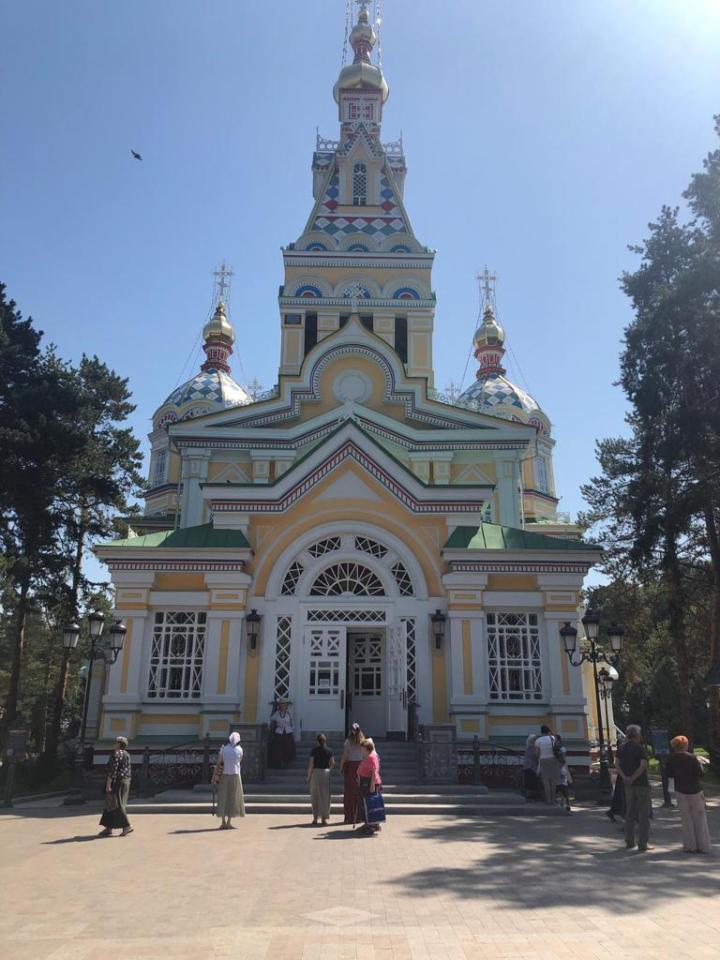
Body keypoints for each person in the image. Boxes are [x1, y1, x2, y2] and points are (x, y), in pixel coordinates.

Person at [665, 735, 712, 854]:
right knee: (699, 818)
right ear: (685, 745)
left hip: (681, 790)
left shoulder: (671, 759)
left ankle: (690, 845)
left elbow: (669, 774)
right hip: (695, 790)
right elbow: (700, 773)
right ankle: (702, 845)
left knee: (686, 819)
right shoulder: (692, 758)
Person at [615, 724, 651, 852]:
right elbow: (643, 765)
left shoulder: (621, 748)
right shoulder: (640, 748)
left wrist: (625, 777)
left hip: (628, 785)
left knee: (629, 813)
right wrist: (633, 777)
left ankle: (629, 841)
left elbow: (616, 764)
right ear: (637, 735)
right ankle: (643, 843)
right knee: (643, 814)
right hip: (641, 784)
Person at [99, 736, 133, 837]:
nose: (114, 744)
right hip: (126, 781)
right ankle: (108, 827)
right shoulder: (127, 754)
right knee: (111, 804)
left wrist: (108, 784)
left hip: (117, 781)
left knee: (116, 804)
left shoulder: (116, 753)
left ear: (119, 744)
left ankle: (127, 826)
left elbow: (112, 770)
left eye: (115, 742)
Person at [212, 731, 245, 829]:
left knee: (223, 797)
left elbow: (218, 763)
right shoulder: (240, 749)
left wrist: (214, 776)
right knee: (232, 798)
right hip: (235, 776)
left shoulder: (223, 749)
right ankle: (229, 822)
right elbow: (240, 761)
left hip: (225, 775)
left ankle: (223, 822)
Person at [356, 737, 383, 836]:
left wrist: (372, 785)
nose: (361, 751)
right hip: (365, 782)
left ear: (367, 749)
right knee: (367, 804)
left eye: (362, 749)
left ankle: (371, 825)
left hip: (369, 783)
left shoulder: (371, 757)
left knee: (370, 805)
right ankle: (370, 823)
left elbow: (374, 771)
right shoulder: (369, 756)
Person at [307, 733, 334, 825]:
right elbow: (332, 762)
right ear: (325, 741)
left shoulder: (314, 750)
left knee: (315, 796)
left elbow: (311, 764)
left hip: (315, 773)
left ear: (317, 741)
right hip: (325, 773)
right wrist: (329, 770)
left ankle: (315, 818)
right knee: (325, 796)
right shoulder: (329, 750)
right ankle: (324, 818)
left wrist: (308, 776)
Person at [340, 723, 365, 823]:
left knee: (349, 792)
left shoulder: (348, 741)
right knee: (359, 792)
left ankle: (350, 817)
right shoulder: (363, 741)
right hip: (360, 767)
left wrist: (341, 767)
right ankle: (359, 816)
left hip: (351, 767)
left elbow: (345, 755)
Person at [534, 725, 561, 805]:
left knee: (545, 781)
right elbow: (558, 747)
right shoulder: (552, 738)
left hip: (543, 760)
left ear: (541, 732)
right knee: (553, 780)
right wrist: (552, 733)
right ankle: (553, 799)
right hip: (553, 759)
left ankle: (548, 800)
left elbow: (537, 753)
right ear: (548, 731)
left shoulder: (538, 740)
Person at [269, 701, 295, 768]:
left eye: (284, 705)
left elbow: (292, 722)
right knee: (279, 749)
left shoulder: (289, 713)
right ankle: (280, 762)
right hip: (279, 733)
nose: (283, 707)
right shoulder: (277, 713)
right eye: (282, 705)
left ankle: (286, 761)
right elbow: (271, 718)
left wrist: (292, 730)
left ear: (286, 706)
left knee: (288, 748)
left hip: (287, 733)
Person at [554, 735, 572, 812]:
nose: (554, 741)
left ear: (558, 740)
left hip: (561, 768)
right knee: (559, 786)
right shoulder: (554, 748)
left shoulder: (561, 749)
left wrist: (560, 765)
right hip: (557, 768)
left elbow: (563, 759)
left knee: (563, 787)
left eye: (555, 739)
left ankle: (567, 803)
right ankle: (562, 802)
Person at [522, 734, 541, 800]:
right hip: (532, 767)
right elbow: (535, 756)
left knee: (528, 781)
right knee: (532, 781)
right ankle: (532, 796)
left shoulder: (527, 747)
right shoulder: (533, 748)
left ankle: (529, 795)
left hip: (527, 766)